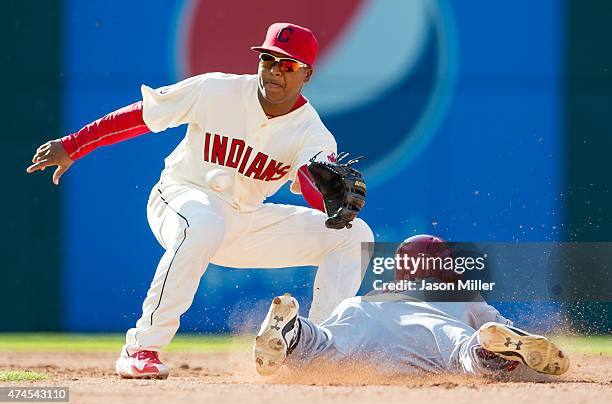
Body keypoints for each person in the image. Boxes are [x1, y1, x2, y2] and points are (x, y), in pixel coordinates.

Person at [26, 22, 374, 379]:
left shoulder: (312, 133)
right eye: (268, 59)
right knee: (205, 224)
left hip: (244, 220)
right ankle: (142, 347)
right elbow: (142, 117)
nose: (273, 71)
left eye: (287, 66)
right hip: (178, 197)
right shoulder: (216, 90)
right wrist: (74, 145)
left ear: (307, 75)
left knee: (354, 235)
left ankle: (312, 350)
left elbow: (314, 187)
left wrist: (332, 207)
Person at [253, 235, 570, 378]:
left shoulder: (380, 290)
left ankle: (294, 332)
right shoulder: (460, 294)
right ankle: (483, 354)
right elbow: (505, 328)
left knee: (323, 346)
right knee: (465, 350)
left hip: (365, 311)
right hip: (433, 327)